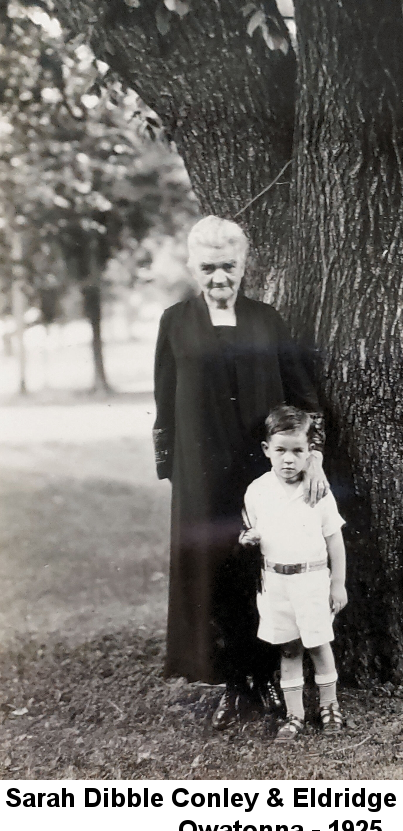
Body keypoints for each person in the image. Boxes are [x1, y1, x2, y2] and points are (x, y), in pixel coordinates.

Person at [153, 215, 327, 729]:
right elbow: (164, 403)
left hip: (263, 475)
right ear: (193, 268)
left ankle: (269, 676)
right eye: (208, 268)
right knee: (216, 573)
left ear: (244, 266)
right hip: (201, 475)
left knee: (267, 573)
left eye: (228, 266)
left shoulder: (267, 320)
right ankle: (232, 682)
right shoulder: (175, 321)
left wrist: (312, 453)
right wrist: (172, 469)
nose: (219, 278)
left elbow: (303, 396)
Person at [240, 405, 347, 742]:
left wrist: (338, 583)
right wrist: (247, 539)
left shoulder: (317, 490)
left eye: (298, 451)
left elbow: (334, 539)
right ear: (266, 450)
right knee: (288, 648)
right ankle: (295, 714)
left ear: (309, 452)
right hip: (275, 584)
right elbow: (250, 531)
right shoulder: (257, 490)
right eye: (280, 450)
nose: (288, 459)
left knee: (318, 644)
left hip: (311, 581)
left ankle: (329, 705)